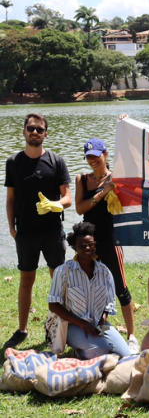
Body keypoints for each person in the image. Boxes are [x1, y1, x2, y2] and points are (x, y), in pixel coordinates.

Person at [4, 113, 72, 349]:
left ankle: (62, 325)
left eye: (39, 129)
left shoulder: (56, 161)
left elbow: (68, 198)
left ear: (46, 134)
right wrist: (11, 227)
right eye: (30, 128)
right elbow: (10, 198)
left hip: (53, 232)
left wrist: (56, 205)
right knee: (26, 280)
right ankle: (22, 330)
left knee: (58, 279)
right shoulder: (13, 162)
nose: (34, 132)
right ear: (24, 132)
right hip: (26, 233)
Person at [75, 138, 139, 354]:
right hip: (88, 244)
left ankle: (131, 335)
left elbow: (134, 164)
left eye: (96, 155)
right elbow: (79, 207)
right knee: (91, 287)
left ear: (106, 154)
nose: (93, 160)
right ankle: (97, 329)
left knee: (120, 286)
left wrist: (126, 127)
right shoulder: (82, 180)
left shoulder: (116, 178)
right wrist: (102, 193)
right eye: (89, 156)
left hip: (111, 240)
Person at [47, 222, 131, 360]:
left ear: (95, 245)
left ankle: (90, 350)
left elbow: (109, 304)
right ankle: (80, 352)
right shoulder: (63, 271)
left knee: (126, 356)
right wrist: (82, 323)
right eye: (82, 245)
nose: (87, 248)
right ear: (74, 247)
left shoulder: (104, 272)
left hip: (98, 325)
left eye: (91, 244)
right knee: (100, 349)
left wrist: (102, 321)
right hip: (72, 326)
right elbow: (53, 304)